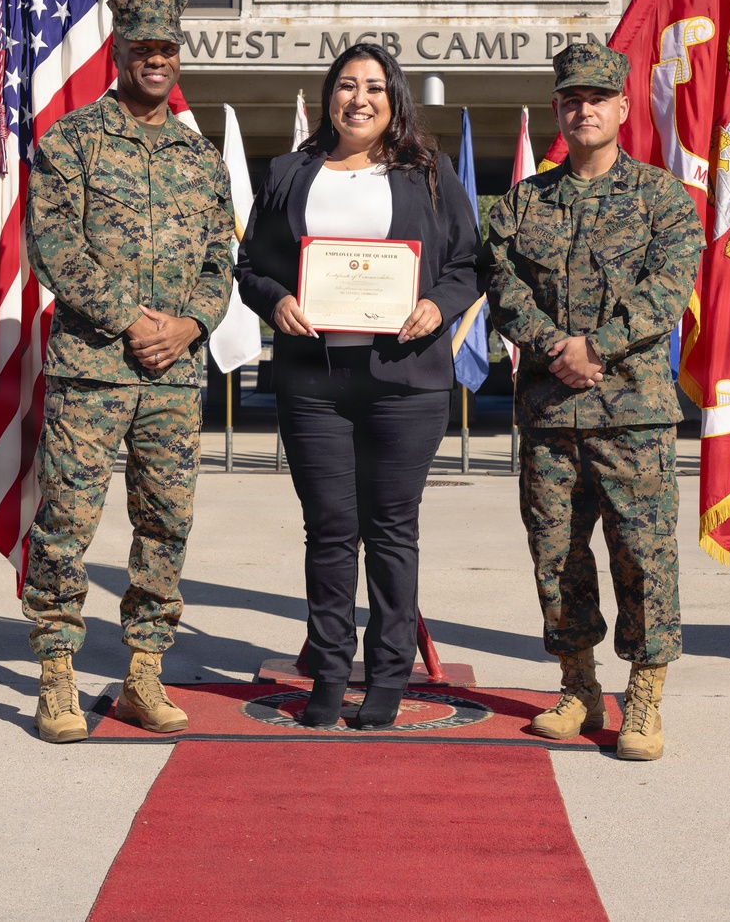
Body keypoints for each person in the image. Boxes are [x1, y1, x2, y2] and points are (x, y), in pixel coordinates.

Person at [236, 43, 481, 730]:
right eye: (347, 85)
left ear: (394, 97)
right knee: (330, 533)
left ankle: (388, 676)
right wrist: (275, 298)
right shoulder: (290, 171)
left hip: (405, 381)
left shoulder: (428, 172)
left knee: (392, 531)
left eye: (374, 86)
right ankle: (330, 670)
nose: (360, 98)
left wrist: (438, 304)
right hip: (314, 381)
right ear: (329, 96)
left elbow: (468, 262)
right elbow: (249, 264)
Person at [22, 0, 234, 744]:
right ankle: (56, 672)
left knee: (165, 525)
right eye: (142, 48)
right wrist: (132, 320)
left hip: (173, 377)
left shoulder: (200, 158)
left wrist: (187, 323)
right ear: (120, 54)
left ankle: (144, 670)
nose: (155, 59)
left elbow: (220, 260)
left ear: (179, 56)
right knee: (66, 524)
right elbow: (52, 246)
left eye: (166, 49)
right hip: (93, 371)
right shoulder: (72, 141)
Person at [486, 41, 703, 761]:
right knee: (557, 555)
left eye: (597, 99)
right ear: (558, 110)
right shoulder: (523, 202)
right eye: (572, 99)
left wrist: (597, 348)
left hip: (632, 413)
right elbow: (503, 288)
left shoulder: (662, 197)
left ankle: (643, 696)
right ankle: (577, 685)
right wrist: (555, 346)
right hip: (550, 413)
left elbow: (667, 293)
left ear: (621, 107)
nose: (584, 110)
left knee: (643, 554)